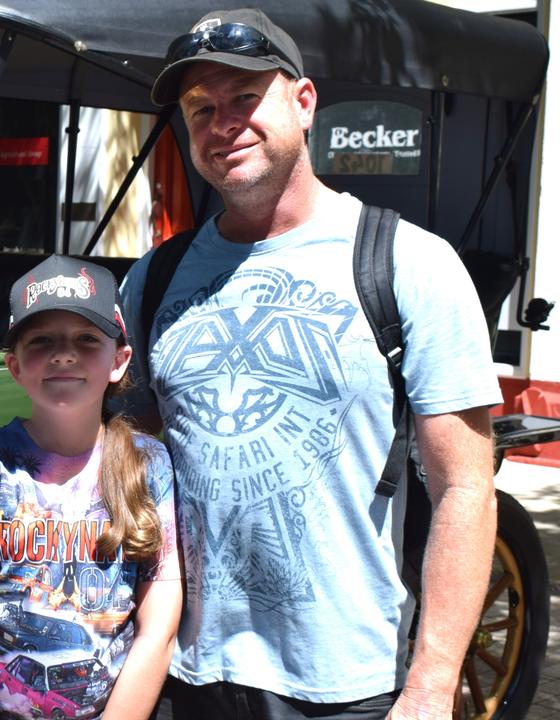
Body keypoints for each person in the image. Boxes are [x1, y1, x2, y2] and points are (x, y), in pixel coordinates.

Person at [118, 9, 500, 719]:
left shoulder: (410, 265)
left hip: (348, 684)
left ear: (303, 102)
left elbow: (464, 490)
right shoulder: (153, 280)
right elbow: (136, 461)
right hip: (184, 670)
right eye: (201, 109)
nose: (222, 123)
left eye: (243, 98)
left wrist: (432, 685)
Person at [0, 256, 181, 720]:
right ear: (14, 365)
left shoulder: (149, 464)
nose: (64, 354)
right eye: (42, 341)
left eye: (86, 339)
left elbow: (158, 626)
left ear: (119, 360)